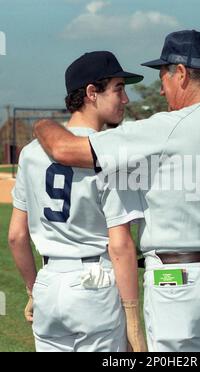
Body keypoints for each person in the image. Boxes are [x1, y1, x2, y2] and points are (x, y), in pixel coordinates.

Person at [33, 30, 200, 352]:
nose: (162, 86)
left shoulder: (165, 128)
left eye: (163, 76)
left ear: (180, 74)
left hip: (179, 283)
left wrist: (41, 125)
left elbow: (64, 149)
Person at [8, 51, 147, 352]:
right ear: (91, 93)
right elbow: (120, 245)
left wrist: (34, 290)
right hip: (94, 285)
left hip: (48, 284)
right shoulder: (110, 152)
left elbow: (16, 237)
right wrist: (133, 320)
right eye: (119, 88)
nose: (126, 99)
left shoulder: (31, 153)